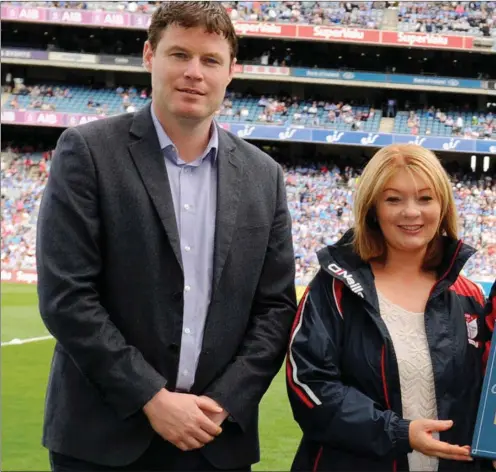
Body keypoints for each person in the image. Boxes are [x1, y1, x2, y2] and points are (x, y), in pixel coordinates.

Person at [36, 2, 297, 471]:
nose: (194, 73)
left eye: (210, 60)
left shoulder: (264, 176)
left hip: (214, 440)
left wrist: (224, 401)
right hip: (103, 440)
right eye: (179, 54)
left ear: (231, 72)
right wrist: (151, 398)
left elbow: (275, 308)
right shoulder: (87, 152)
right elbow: (66, 296)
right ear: (148, 55)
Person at [286, 144, 493, 471]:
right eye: (393, 199)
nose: (411, 212)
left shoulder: (468, 296)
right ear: (373, 209)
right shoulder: (335, 288)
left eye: (425, 198)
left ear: (443, 207)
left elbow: (483, 394)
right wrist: (399, 432)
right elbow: (310, 386)